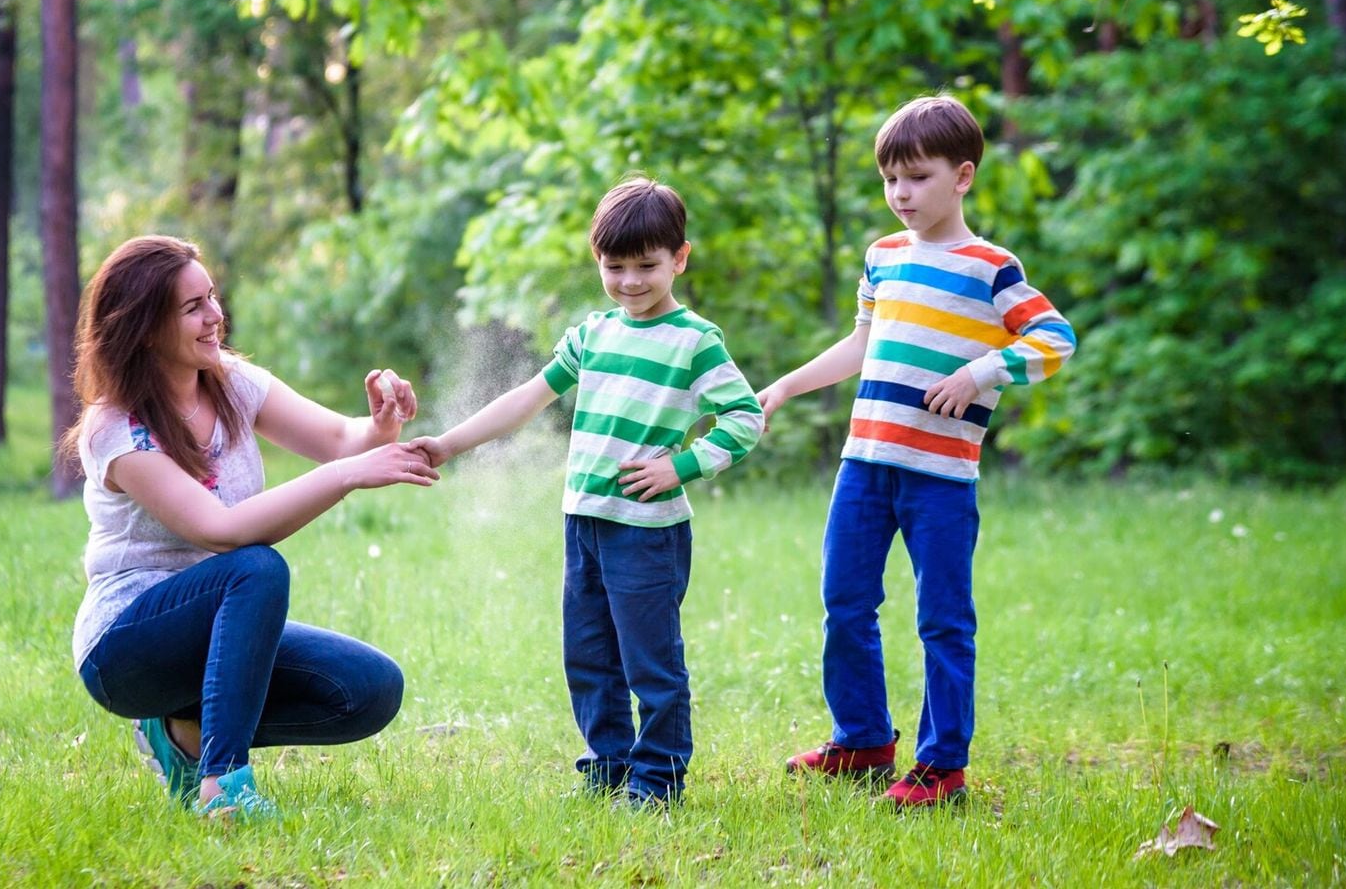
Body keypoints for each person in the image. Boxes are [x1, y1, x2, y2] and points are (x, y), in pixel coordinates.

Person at [759, 95, 1076, 807]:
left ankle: (941, 767)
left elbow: (1056, 339)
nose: (900, 193)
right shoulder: (884, 256)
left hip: (940, 478)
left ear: (962, 177)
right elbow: (860, 344)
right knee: (844, 604)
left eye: (918, 177)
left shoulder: (990, 267)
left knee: (942, 619)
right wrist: (784, 387)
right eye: (890, 179)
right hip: (864, 465)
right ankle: (864, 741)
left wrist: (980, 373)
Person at [409, 178, 764, 809]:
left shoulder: (694, 341)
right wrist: (451, 444)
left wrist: (682, 466)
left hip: (647, 530)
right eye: (614, 266)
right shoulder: (593, 334)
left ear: (680, 258)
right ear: (597, 261)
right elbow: (526, 399)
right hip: (585, 523)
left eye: (647, 266)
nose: (630, 281)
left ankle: (657, 780)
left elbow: (744, 418)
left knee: (651, 663)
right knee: (589, 655)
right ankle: (609, 765)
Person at [64, 235, 438, 821]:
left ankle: (183, 735)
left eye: (211, 297)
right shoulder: (116, 428)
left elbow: (341, 440)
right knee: (254, 567)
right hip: (127, 648)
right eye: (193, 307)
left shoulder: (230, 381)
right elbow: (222, 530)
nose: (216, 316)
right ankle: (224, 785)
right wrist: (347, 477)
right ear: (142, 329)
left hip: (217, 628)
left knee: (369, 689)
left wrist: (380, 425)